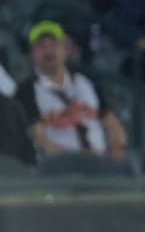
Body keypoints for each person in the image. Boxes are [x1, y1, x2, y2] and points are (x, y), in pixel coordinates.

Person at [16, 20, 128, 166]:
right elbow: (39, 139)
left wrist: (117, 145)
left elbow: (111, 121)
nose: (48, 51)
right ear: (32, 53)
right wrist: (77, 161)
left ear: (65, 48)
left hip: (101, 165)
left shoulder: (87, 81)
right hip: (59, 170)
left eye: (54, 45)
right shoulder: (26, 91)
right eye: (41, 46)